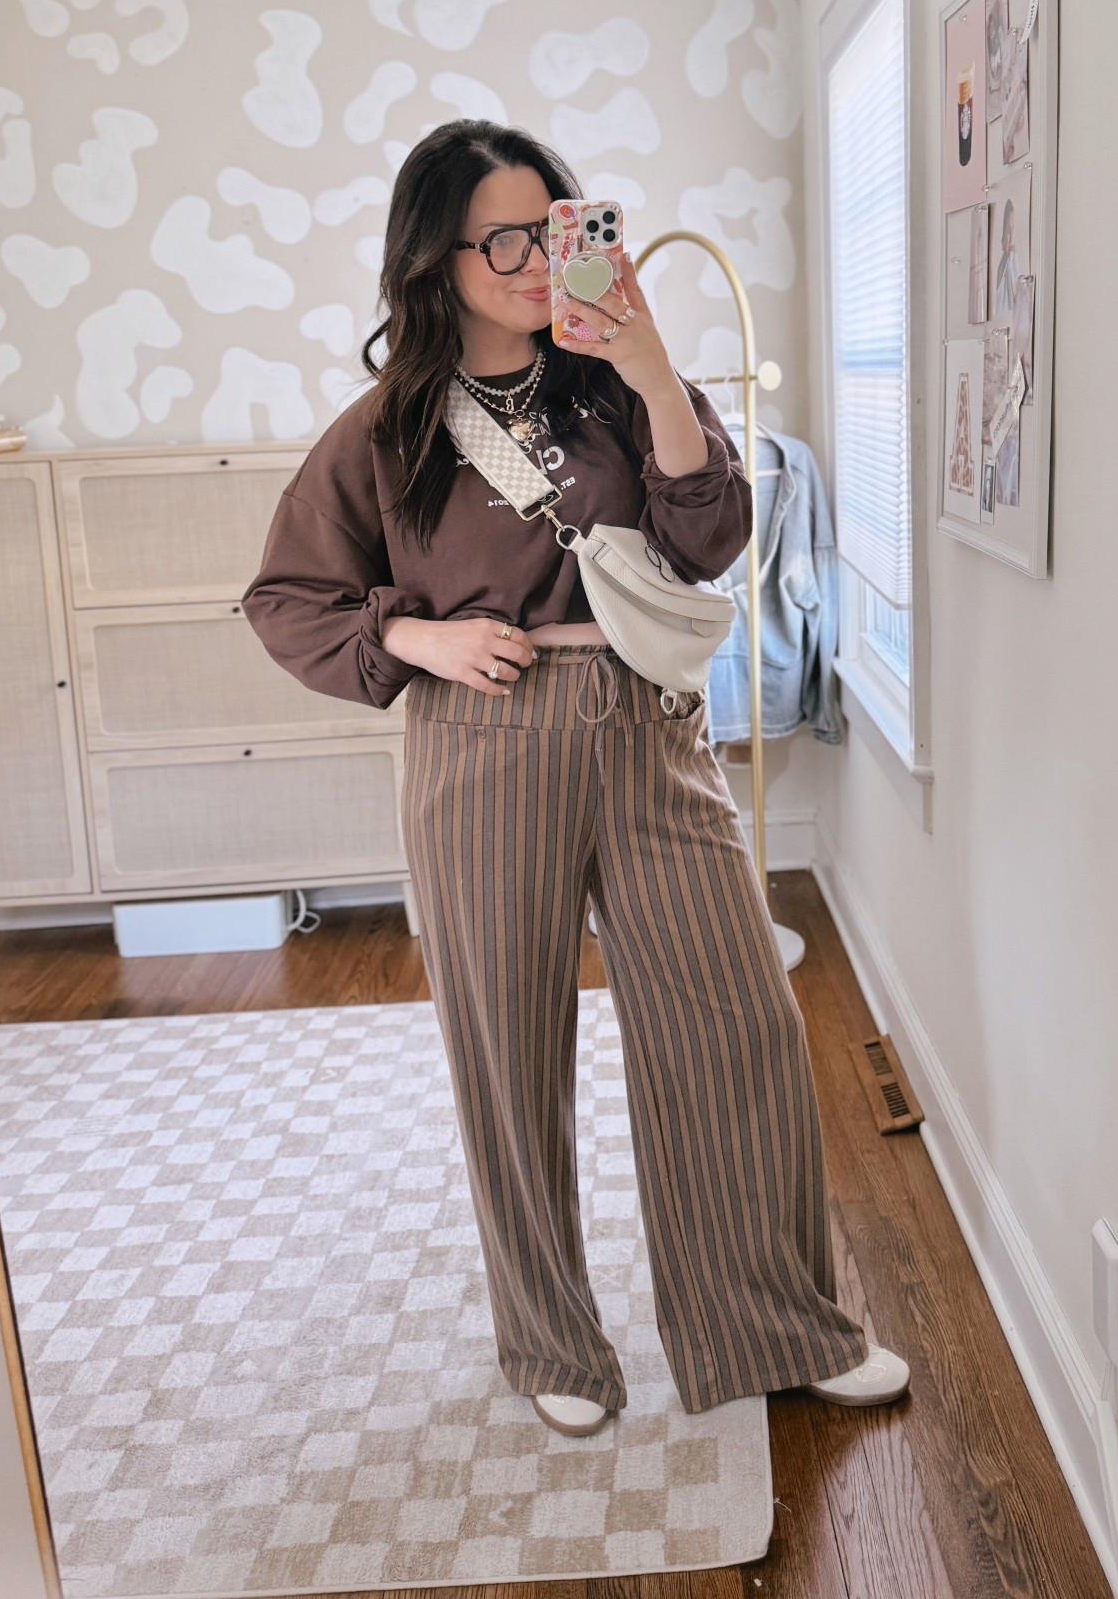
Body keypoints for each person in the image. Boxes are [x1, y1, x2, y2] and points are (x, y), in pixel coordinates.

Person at [242, 118, 910, 1437]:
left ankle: (778, 1320)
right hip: (480, 736)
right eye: (505, 238)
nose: (537, 260)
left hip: (652, 724)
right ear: (434, 260)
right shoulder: (382, 431)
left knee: (735, 1023)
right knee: (509, 1045)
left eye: (553, 230)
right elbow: (286, 600)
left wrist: (654, 367)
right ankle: (551, 1339)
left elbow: (712, 536)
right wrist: (415, 634)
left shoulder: (612, 387)